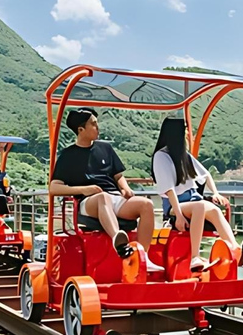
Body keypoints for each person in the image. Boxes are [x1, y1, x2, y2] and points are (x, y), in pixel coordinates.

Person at [49, 107, 163, 271]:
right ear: (81, 129)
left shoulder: (105, 148)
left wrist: (125, 188)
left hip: (114, 197)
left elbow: (118, 176)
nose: (98, 127)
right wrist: (84, 189)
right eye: (93, 124)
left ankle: (143, 258)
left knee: (146, 205)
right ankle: (118, 239)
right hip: (89, 202)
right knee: (103, 198)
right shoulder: (68, 155)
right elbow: (54, 187)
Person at [151, 117, 243, 271]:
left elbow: (205, 175)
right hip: (174, 205)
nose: (187, 133)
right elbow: (168, 188)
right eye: (185, 129)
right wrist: (178, 215)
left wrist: (216, 193)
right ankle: (195, 257)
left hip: (192, 200)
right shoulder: (161, 156)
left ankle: (235, 250)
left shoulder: (183, 155)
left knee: (214, 210)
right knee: (200, 207)